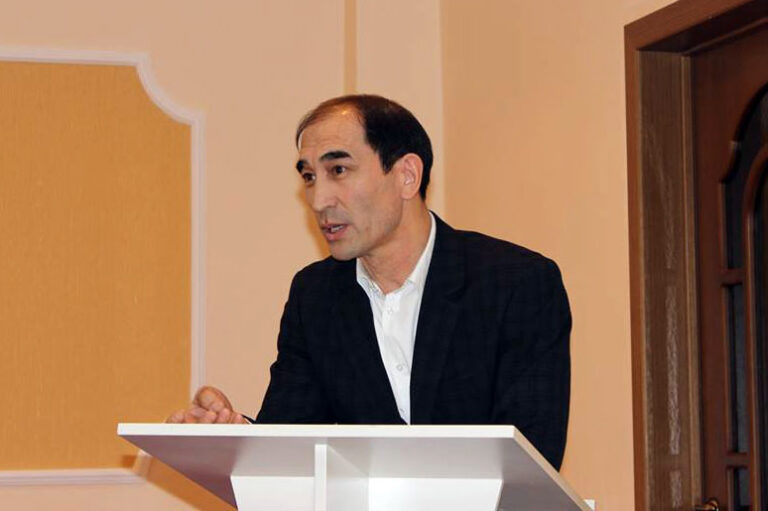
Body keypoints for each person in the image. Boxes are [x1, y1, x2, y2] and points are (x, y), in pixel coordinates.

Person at [167, 94, 571, 470]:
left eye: (338, 171)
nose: (318, 200)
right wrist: (236, 436)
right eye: (309, 177)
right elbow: (293, 442)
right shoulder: (315, 296)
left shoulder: (515, 283)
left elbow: (531, 462)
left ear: (407, 175)